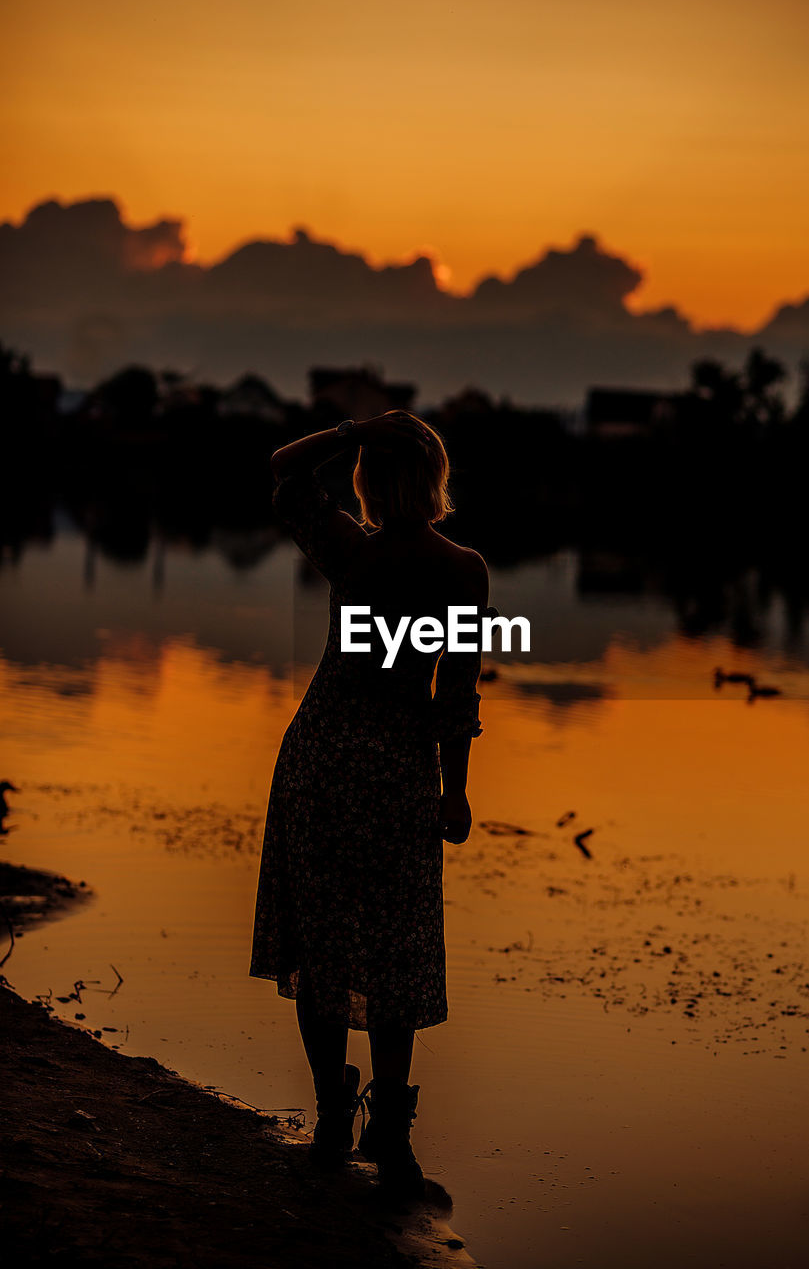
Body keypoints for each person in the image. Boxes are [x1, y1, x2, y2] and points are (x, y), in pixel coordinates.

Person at [250, 410, 490, 1198]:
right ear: (434, 478)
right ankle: (389, 1135)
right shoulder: (463, 570)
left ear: (370, 480)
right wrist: (455, 790)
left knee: (323, 947)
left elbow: (285, 471)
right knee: (395, 949)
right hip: (394, 768)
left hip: (322, 757)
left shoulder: (352, 552)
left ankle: (331, 1120)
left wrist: (352, 429)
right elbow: (455, 696)